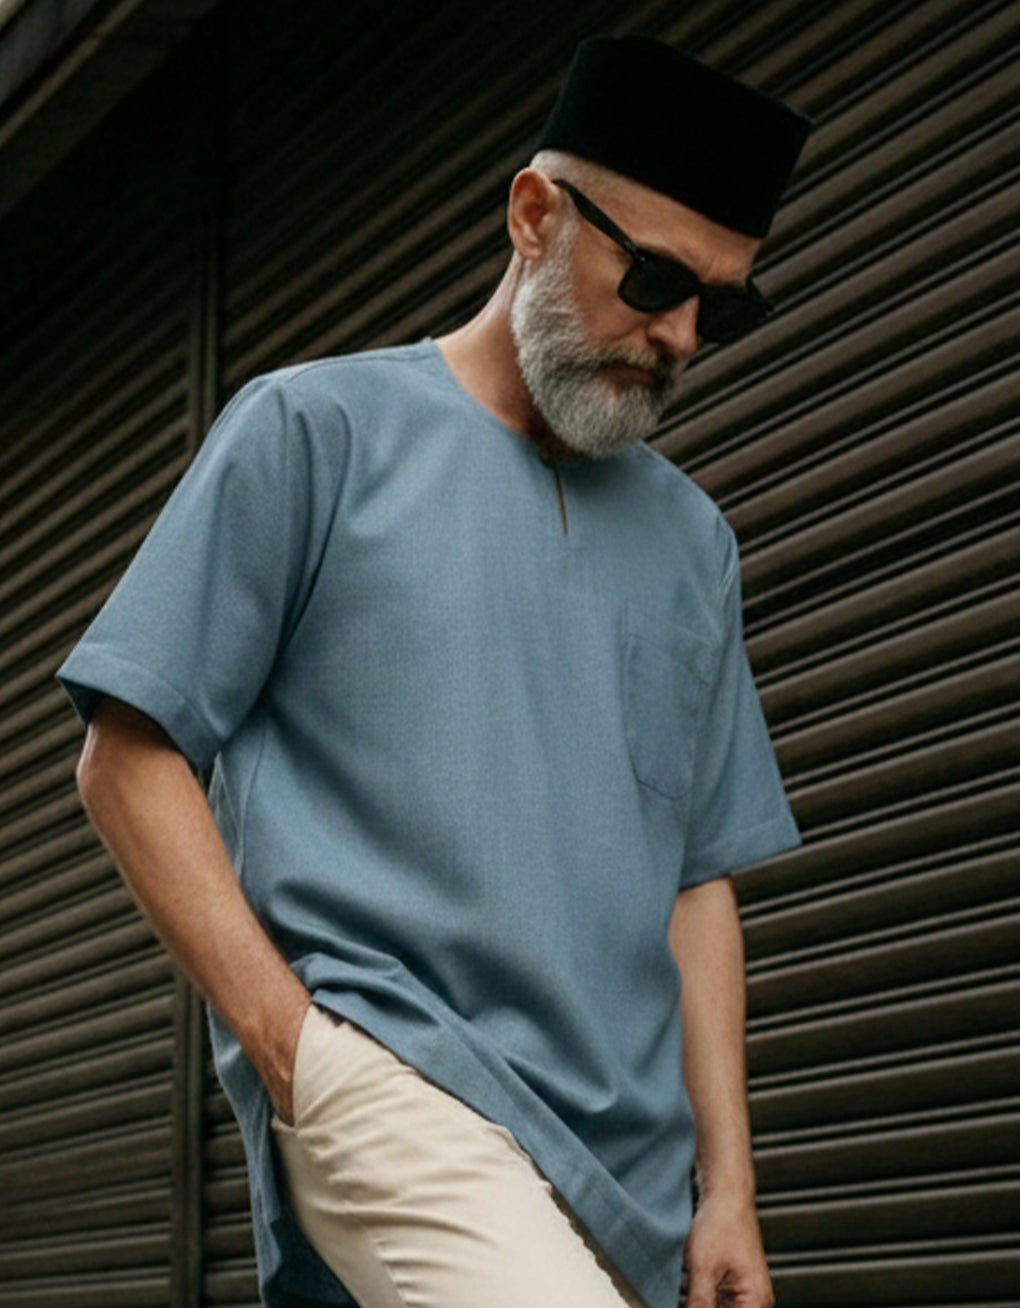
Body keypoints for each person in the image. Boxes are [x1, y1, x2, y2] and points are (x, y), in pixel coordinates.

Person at [59, 34, 809, 1308]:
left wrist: (726, 1189)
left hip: (627, 1172)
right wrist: (293, 1048)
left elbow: (696, 883)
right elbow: (126, 756)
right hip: (394, 1076)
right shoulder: (314, 433)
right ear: (534, 215)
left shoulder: (696, 544)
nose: (682, 335)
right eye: (656, 278)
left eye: (721, 307)